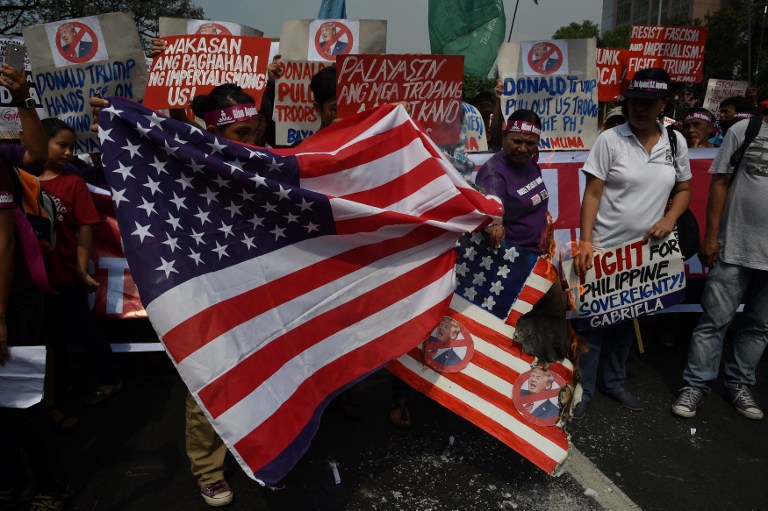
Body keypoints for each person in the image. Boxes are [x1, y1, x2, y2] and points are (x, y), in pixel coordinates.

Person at [572, 68, 692, 419]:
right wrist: (585, 242)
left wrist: (669, 220)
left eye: (647, 103)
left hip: (645, 255)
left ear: (662, 105)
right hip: (606, 249)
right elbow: (592, 194)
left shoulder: (675, 142)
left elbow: (683, 190)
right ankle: (583, 387)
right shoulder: (610, 140)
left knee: (627, 322)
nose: (638, 109)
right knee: (592, 323)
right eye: (633, 102)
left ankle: (615, 381)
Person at [671, 102, 768, 421]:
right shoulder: (745, 131)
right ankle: (696, 384)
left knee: (759, 326)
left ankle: (739, 383)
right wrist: (711, 238)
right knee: (713, 322)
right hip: (734, 249)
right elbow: (719, 185)